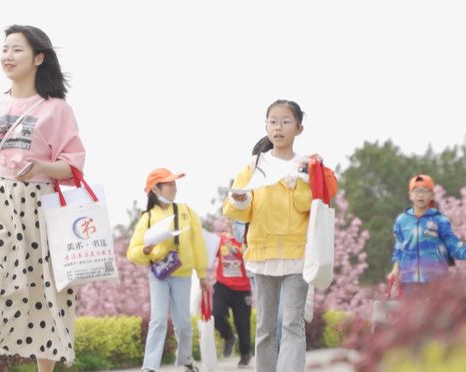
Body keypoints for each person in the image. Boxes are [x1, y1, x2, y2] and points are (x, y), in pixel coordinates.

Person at [0, 25, 86, 372]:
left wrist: (40, 165)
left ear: (39, 58)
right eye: (5, 49)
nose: (7, 56)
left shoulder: (57, 110)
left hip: (37, 208)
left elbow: (71, 167)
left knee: (43, 291)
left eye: (17, 50)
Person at [223, 99, 324, 372]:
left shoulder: (305, 166)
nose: (278, 127)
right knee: (265, 327)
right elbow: (236, 210)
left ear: (299, 128)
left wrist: (303, 180)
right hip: (262, 252)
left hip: (296, 254)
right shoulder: (253, 165)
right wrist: (241, 199)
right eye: (273, 121)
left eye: (285, 121)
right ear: (266, 126)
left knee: (292, 324)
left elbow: (309, 206)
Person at [127, 168, 208, 372]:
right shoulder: (147, 218)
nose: (174, 188)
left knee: (183, 323)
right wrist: (145, 250)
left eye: (174, 183)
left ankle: (186, 360)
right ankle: (150, 366)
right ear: (155, 189)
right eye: (169, 184)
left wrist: (203, 274)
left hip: (182, 274)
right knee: (158, 320)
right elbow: (132, 252)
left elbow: (198, 244)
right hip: (159, 275)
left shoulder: (187, 212)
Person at [387, 174, 466, 292]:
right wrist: (395, 269)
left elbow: (452, 243)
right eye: (416, 191)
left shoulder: (440, 219)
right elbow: (399, 249)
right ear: (410, 195)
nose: (420, 195)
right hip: (409, 282)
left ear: (432, 195)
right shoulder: (402, 220)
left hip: (435, 281)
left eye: (425, 191)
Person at [212, 231, 252, 367]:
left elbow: (251, 256)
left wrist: (235, 250)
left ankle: (245, 355)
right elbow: (209, 254)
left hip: (242, 289)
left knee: (242, 324)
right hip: (223, 285)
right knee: (216, 313)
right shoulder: (221, 238)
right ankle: (228, 336)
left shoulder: (248, 237)